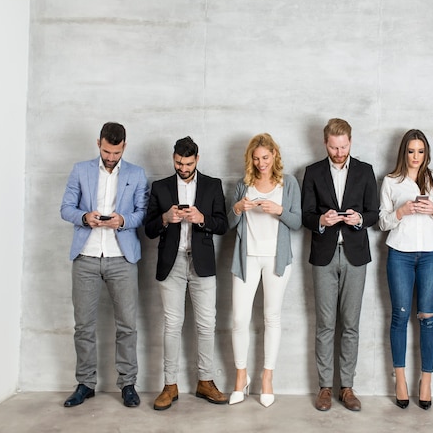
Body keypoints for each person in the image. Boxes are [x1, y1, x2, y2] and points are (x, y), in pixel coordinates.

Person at [60, 122, 149, 408]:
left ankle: (128, 384)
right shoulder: (80, 170)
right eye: (107, 151)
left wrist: (122, 221)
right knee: (83, 326)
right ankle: (85, 383)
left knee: (127, 326)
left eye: (117, 152)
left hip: (122, 257)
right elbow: (66, 208)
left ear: (125, 145)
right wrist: (85, 217)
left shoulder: (136, 174)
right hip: (85, 257)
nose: (111, 157)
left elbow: (142, 213)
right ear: (98, 143)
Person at [144, 136, 229, 410]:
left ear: (197, 160)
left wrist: (201, 219)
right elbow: (148, 228)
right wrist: (165, 219)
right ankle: (170, 385)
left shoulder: (213, 185)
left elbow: (222, 225)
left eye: (188, 163)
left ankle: (205, 381)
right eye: (179, 162)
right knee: (172, 325)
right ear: (173, 159)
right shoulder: (160, 187)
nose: (183, 167)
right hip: (172, 263)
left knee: (206, 325)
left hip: (202, 263)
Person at [301, 118, 379, 412]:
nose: (339, 152)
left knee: (350, 324)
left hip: (355, 255)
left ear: (350, 142)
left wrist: (359, 219)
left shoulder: (365, 171)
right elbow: (306, 215)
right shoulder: (312, 172)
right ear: (325, 144)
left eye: (343, 146)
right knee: (324, 324)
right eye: (334, 147)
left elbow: (373, 212)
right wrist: (321, 221)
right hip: (323, 255)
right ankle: (324, 387)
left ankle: (346, 387)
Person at [227, 133, 302, 408]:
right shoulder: (243, 185)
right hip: (246, 258)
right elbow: (229, 224)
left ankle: (267, 378)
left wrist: (278, 210)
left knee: (272, 318)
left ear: (274, 156)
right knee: (239, 319)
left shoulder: (288, 183)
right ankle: (240, 377)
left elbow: (297, 222)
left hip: (277, 259)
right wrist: (237, 207)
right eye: (256, 159)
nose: (261, 163)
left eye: (266, 158)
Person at [378, 129, 433, 410]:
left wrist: (432, 210)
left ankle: (426, 381)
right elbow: (382, 222)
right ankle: (400, 379)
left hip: (431, 255)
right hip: (400, 255)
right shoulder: (391, 181)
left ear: (426, 153)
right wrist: (401, 211)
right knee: (400, 315)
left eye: (420, 151)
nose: (416, 157)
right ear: (403, 153)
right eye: (411, 151)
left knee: (428, 318)